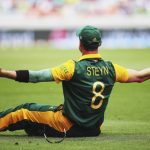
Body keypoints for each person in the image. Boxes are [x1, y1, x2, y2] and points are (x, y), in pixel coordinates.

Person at [0, 25, 150, 137]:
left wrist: (4, 73)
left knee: (24, 111)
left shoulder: (72, 67)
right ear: (99, 44)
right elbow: (140, 76)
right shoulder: (112, 68)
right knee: (41, 118)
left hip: (67, 125)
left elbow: (37, 77)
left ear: (81, 44)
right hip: (93, 129)